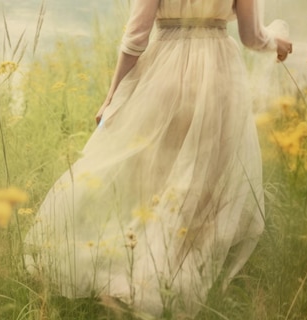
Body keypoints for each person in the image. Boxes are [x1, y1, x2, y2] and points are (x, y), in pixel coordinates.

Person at [25, 0, 292, 318]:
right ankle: (171, 279)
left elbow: (136, 38)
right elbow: (252, 37)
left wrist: (112, 98)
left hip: (163, 74)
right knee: (201, 186)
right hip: (220, 77)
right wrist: (277, 40)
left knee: (153, 182)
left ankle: (138, 274)